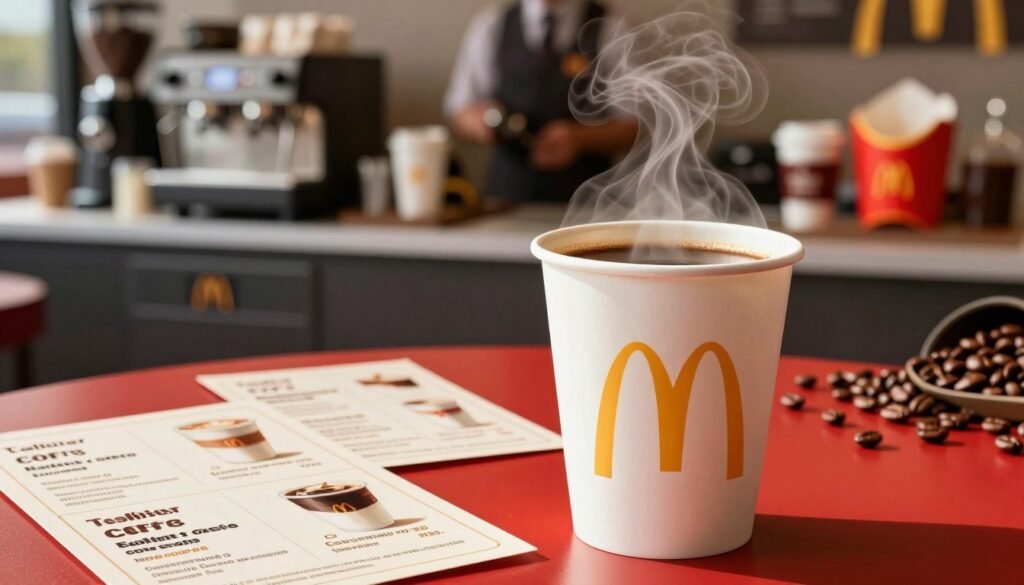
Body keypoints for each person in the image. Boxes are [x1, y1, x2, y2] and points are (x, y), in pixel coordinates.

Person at [444, 0, 637, 202]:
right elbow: (460, 111)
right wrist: (484, 121)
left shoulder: (614, 27)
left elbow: (634, 126)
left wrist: (579, 138)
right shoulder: (492, 25)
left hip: (586, 202)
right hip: (506, 198)